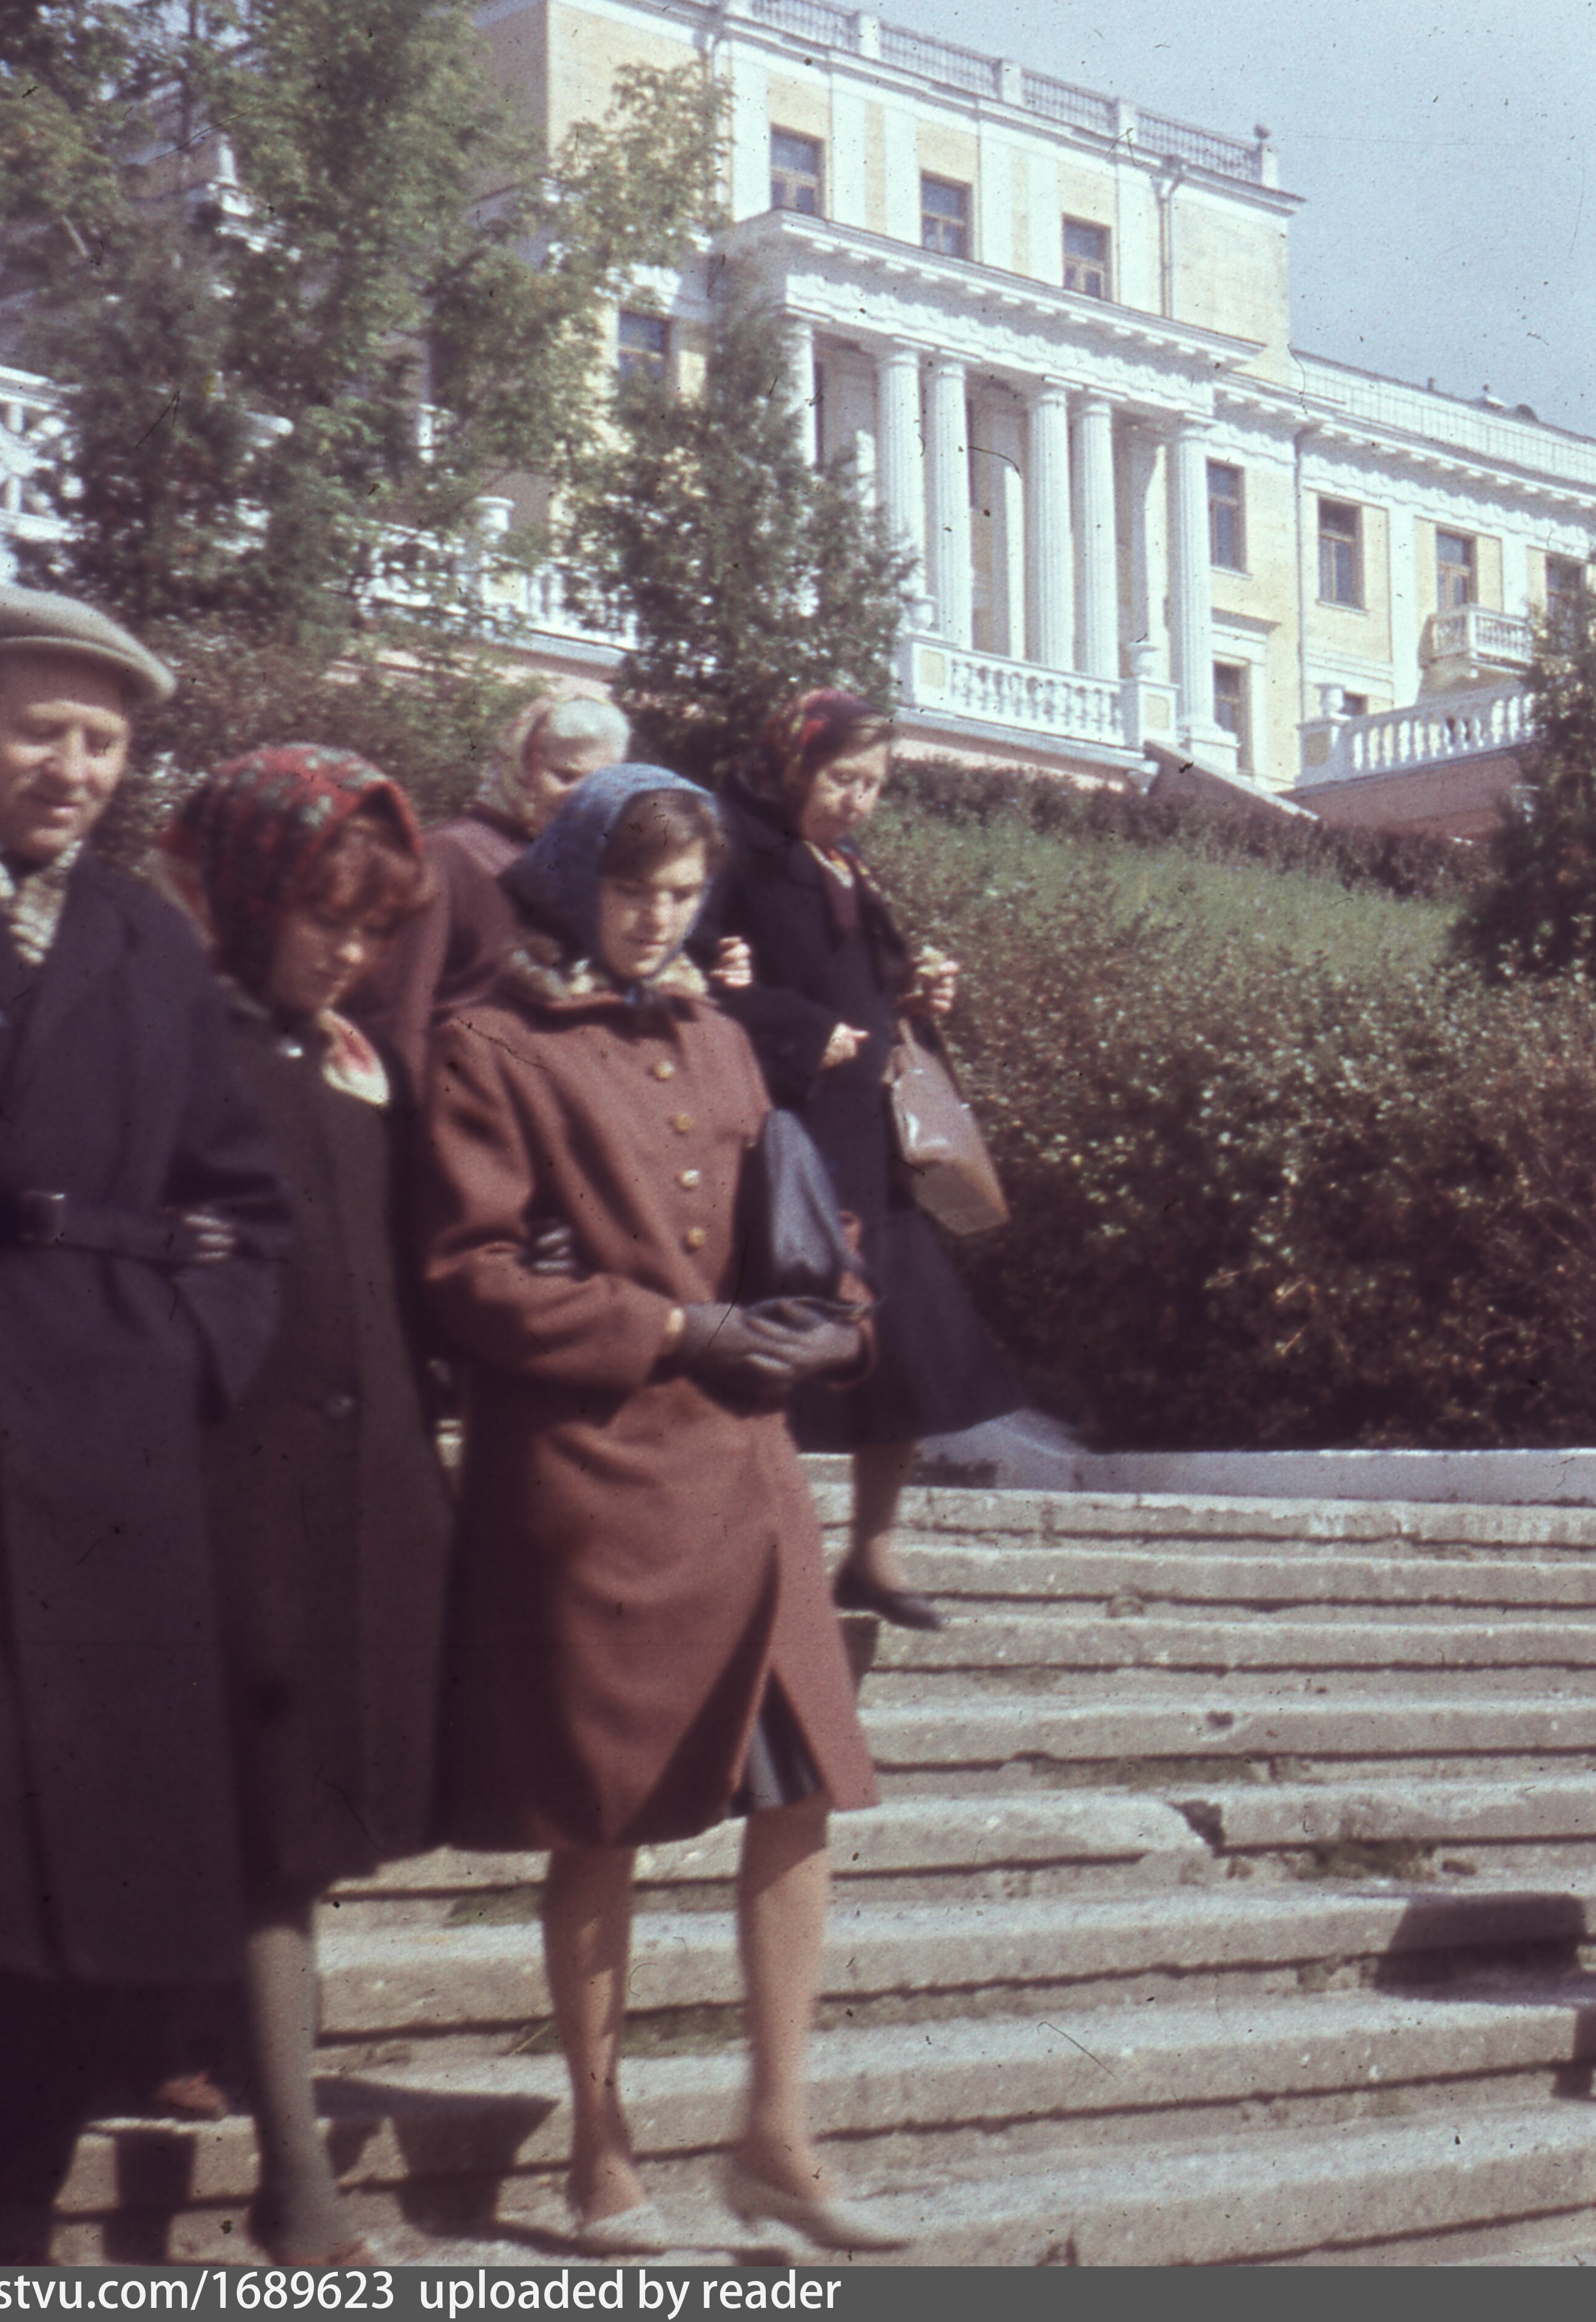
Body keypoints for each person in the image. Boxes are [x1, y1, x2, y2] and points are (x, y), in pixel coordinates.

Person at [418, 762, 905, 2256]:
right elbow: (466, 1275)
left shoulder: (715, 1032)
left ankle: (776, 2132)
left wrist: (839, 1317)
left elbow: (794, 1223)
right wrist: (674, 1330)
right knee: (602, 1815)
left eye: (684, 892)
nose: (658, 918)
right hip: (595, 1480)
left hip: (745, 1481)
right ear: (574, 876)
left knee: (803, 1792)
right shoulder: (487, 1045)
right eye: (635, 887)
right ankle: (600, 2143)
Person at [0, 584, 293, 2263]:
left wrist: (188, 1350)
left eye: (105, 741)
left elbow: (246, 1206)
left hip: (102, 1461)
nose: (72, 767)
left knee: (83, 1877)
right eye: (40, 726)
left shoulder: (141, 937)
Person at [156, 747, 460, 2267]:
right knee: (272, 1831)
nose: (350, 948)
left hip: (362, 1486)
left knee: (297, 1813)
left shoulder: (352, 1057)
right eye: (325, 915)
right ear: (254, 890)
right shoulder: (174, 1039)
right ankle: (300, 2185)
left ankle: (193, 2041)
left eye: (373, 922)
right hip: (228, 1481)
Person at [708, 693, 1023, 1630]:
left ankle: (872, 1554)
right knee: (783, 1355)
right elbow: (702, 984)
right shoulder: (738, 855)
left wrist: (921, 993)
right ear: (795, 766)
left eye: (873, 784)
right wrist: (808, 1033)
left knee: (910, 1351)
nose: (857, 800)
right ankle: (758, 1555)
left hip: (873, 1155)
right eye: (842, 777)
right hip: (789, 1147)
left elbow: (863, 988)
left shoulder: (846, 864)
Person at [350, 686, 629, 1092]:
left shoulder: (592, 874)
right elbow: (402, 1008)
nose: (579, 796)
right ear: (520, 767)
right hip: (454, 1094)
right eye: (564, 775)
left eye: (597, 781)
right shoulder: (448, 854)